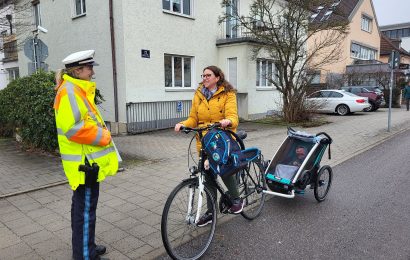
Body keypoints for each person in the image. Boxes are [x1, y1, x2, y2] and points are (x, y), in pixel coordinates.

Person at [54, 50, 120, 260]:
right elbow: (73, 129)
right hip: (85, 165)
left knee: (83, 210)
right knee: (85, 212)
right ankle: (84, 255)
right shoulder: (71, 92)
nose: (92, 71)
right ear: (78, 70)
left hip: (86, 162)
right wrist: (104, 135)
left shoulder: (76, 89)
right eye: (89, 67)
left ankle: (87, 246)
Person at [175, 65, 242, 227]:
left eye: (208, 75)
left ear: (217, 77)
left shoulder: (228, 93)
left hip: (221, 138)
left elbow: (233, 116)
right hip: (204, 141)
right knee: (207, 176)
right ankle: (211, 213)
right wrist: (183, 124)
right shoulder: (199, 94)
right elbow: (193, 118)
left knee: (224, 170)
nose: (204, 78)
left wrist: (228, 121)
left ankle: (236, 199)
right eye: (203, 75)